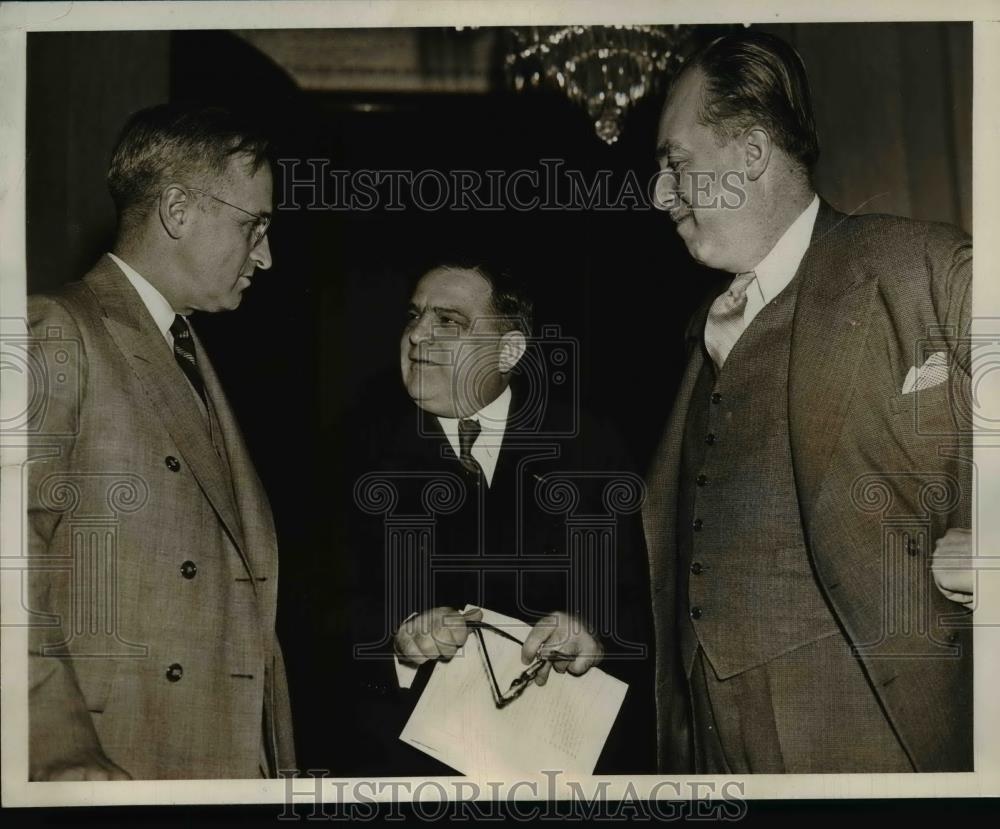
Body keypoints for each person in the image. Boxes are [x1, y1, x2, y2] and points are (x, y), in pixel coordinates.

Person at [644, 31, 973, 774]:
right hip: (711, 750)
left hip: (872, 739)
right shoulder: (698, 332)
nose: (660, 193)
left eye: (676, 163)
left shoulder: (916, 266)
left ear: (752, 153)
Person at [26, 104, 296, 780]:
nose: (266, 255)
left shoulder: (186, 348)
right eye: (254, 226)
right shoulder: (58, 329)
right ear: (177, 210)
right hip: (122, 760)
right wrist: (64, 756)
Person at [334, 262, 655, 775]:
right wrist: (400, 638)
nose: (417, 335)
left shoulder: (589, 446)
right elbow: (318, 606)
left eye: (448, 321)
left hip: (554, 767)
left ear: (508, 352)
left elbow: (641, 601)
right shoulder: (352, 449)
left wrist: (591, 634)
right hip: (406, 768)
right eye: (414, 316)